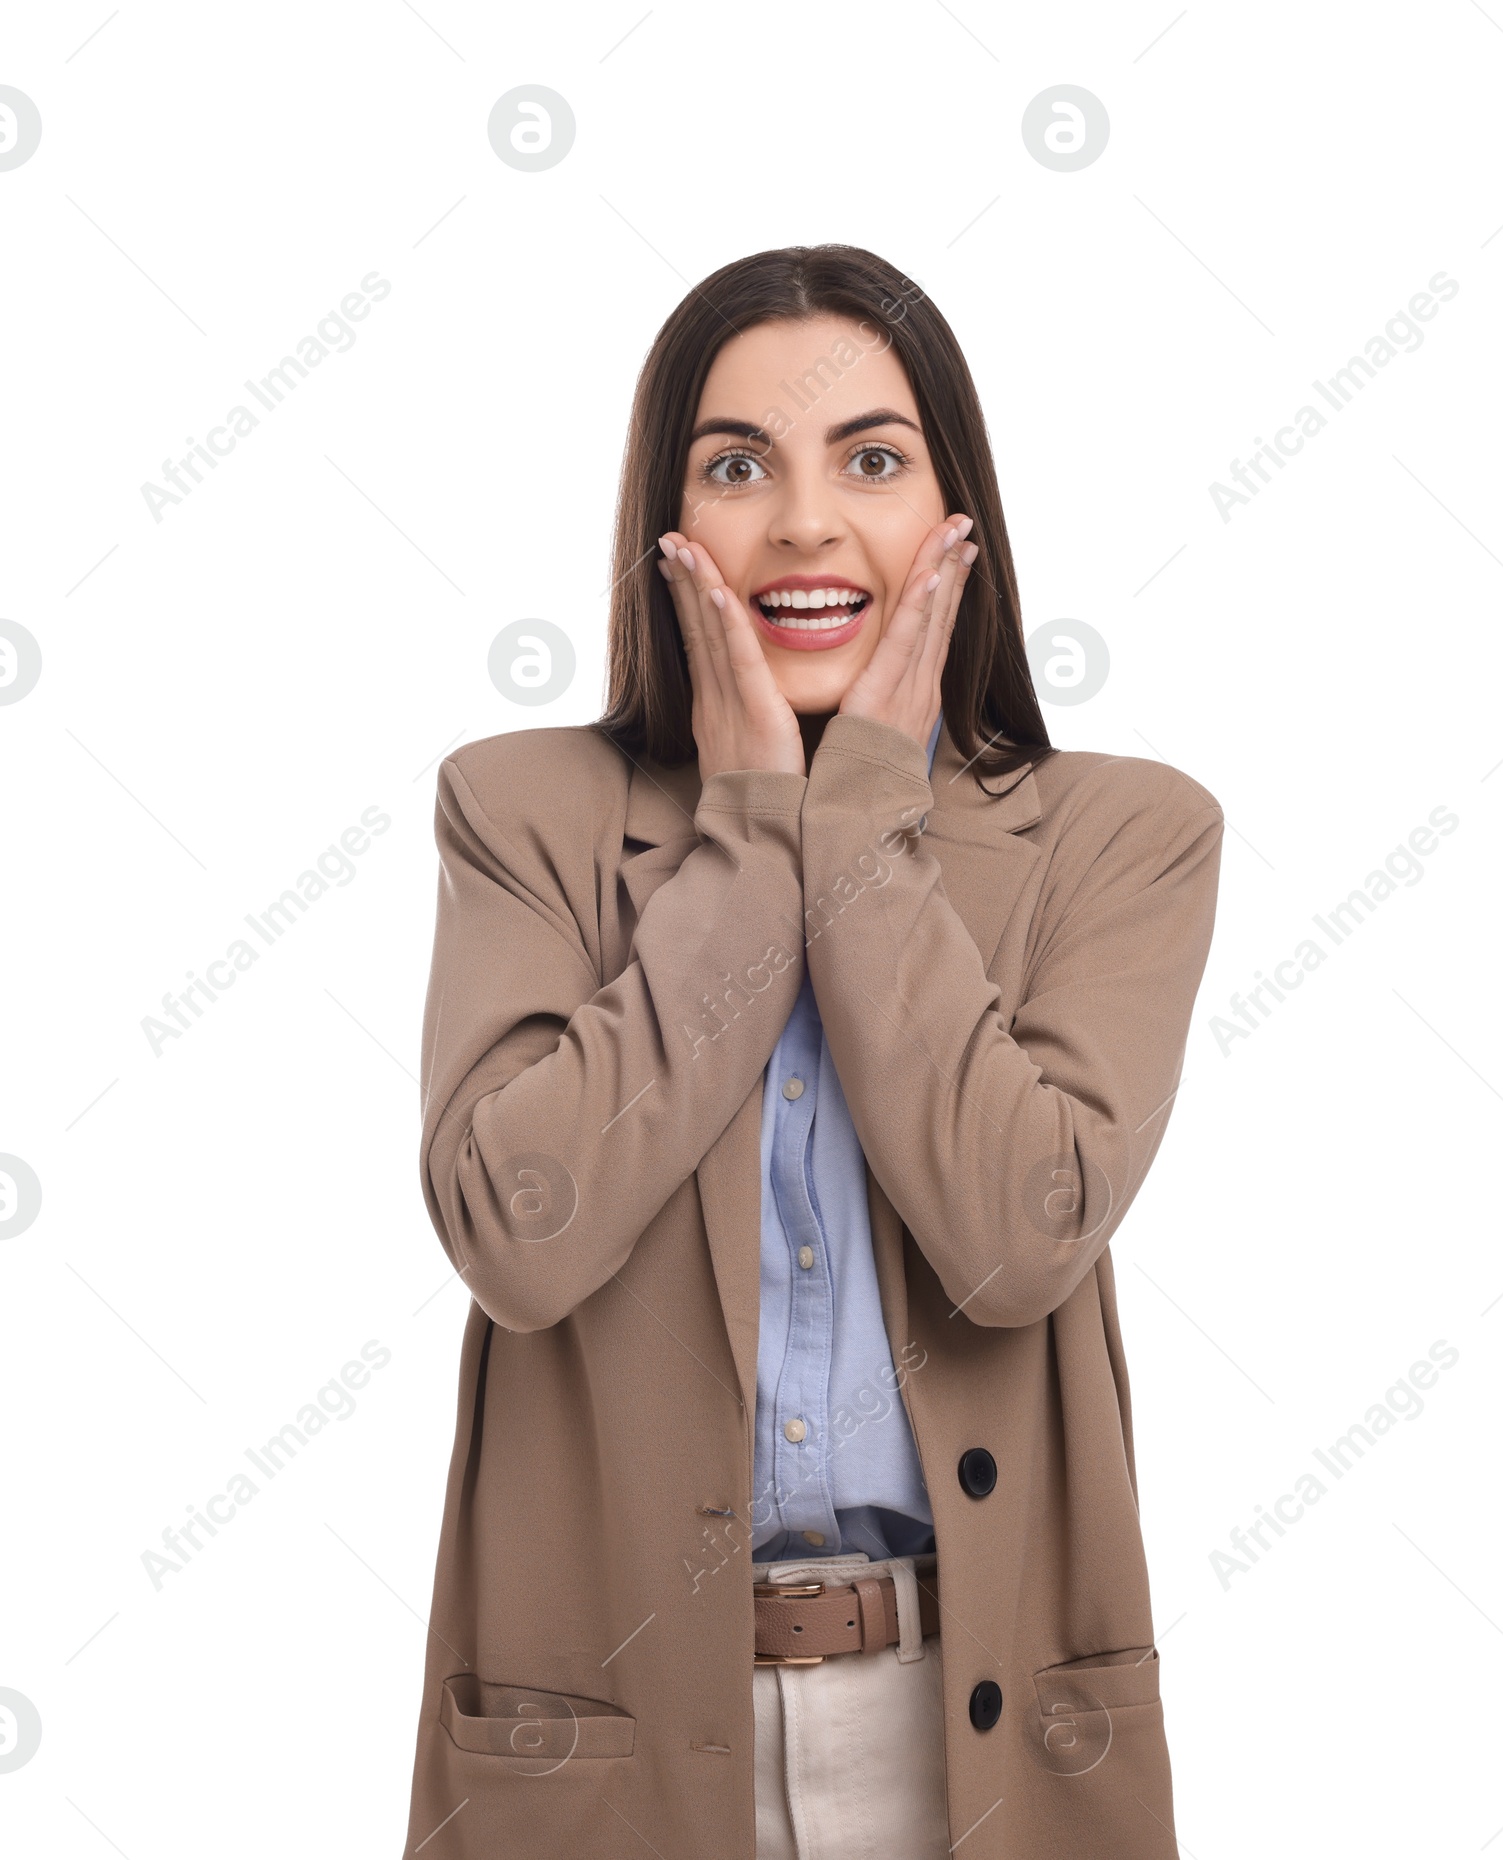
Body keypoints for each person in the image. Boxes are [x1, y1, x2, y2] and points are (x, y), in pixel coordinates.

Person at [402, 243, 1224, 1859]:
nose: (802, 522)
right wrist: (749, 837)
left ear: (954, 514)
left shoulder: (1123, 835)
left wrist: (860, 830)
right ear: (667, 527)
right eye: (735, 466)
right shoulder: (522, 813)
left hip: (974, 1732)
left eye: (871, 457)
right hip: (616, 1747)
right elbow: (519, 1234)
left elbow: (1017, 1241)